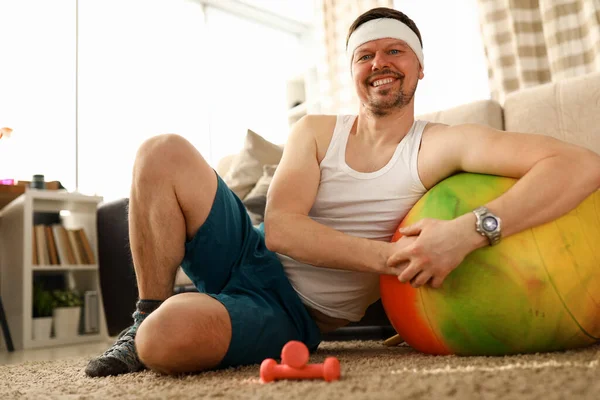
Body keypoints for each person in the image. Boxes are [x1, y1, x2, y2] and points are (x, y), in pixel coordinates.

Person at [85, 7, 600, 377]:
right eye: (366, 54)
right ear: (353, 71)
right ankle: (144, 312)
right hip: (248, 249)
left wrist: (467, 233)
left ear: (420, 67)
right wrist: (398, 257)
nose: (380, 62)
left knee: (166, 343)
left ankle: (178, 320)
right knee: (161, 149)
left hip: (290, 311)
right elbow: (283, 228)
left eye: (395, 51)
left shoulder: (444, 145)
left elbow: (580, 165)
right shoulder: (314, 131)